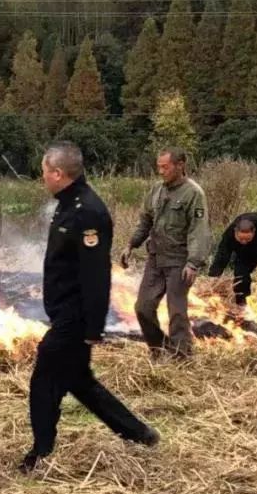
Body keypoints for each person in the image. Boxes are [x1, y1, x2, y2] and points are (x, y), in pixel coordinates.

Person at [22, 142, 158, 472]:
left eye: (45, 173)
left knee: (44, 382)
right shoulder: (68, 203)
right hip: (65, 311)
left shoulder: (87, 212)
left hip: (75, 316)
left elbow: (96, 275)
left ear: (58, 173)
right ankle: (140, 435)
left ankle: (40, 454)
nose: (43, 179)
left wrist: (94, 327)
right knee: (79, 381)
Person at [120, 148, 212, 359]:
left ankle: (182, 356)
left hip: (179, 262)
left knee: (177, 312)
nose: (160, 171)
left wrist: (193, 263)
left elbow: (199, 231)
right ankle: (159, 349)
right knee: (143, 307)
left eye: (165, 167)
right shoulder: (156, 191)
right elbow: (145, 221)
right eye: (159, 167)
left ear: (180, 165)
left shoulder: (193, 193)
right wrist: (131, 245)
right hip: (156, 258)